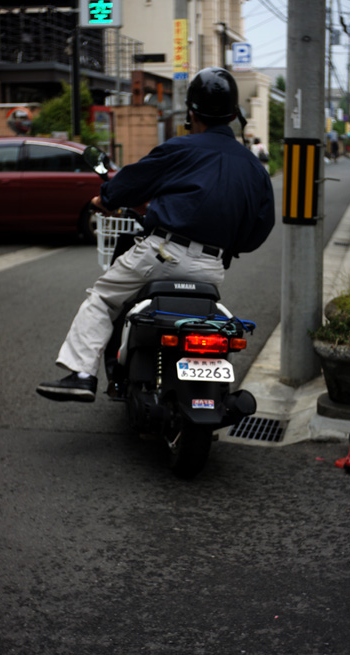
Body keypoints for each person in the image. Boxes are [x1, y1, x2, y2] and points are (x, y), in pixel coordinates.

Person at [36, 67, 275, 403]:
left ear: (192, 113)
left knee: (103, 298)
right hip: (211, 266)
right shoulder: (253, 168)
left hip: (162, 254)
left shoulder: (181, 148)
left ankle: (81, 374)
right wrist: (228, 246)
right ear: (235, 114)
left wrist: (103, 199)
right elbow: (260, 227)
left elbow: (133, 180)